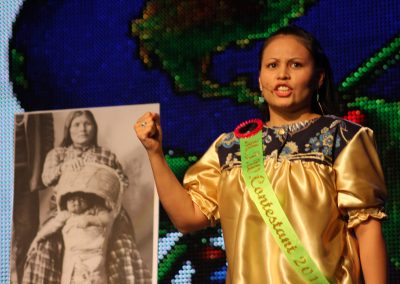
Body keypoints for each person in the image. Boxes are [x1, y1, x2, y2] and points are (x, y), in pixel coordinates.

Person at [135, 25, 387, 283]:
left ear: (319, 77)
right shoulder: (230, 147)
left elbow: (367, 229)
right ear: (260, 79)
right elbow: (188, 218)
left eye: (296, 65)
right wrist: (155, 153)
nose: (283, 75)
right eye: (272, 65)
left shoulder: (342, 137)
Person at [23, 110, 151, 284]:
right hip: (65, 209)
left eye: (87, 124)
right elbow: (46, 179)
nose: (82, 129)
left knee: (124, 247)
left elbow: (122, 182)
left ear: (94, 128)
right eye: (77, 124)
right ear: (68, 129)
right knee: (43, 249)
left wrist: (99, 173)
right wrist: (64, 167)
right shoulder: (58, 154)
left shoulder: (106, 154)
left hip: (101, 210)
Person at [27, 190, 113, 284]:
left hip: (94, 254)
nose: (77, 203)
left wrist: (91, 220)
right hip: (74, 256)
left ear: (88, 199)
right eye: (72, 200)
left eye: (81, 198)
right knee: (72, 278)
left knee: (96, 276)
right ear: (66, 202)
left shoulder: (95, 210)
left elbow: (107, 218)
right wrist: (37, 238)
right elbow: (51, 226)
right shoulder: (66, 214)